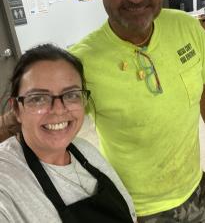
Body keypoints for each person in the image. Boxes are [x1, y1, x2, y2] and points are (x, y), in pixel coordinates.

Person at [69, 0, 205, 222]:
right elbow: (49, 132)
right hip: (136, 210)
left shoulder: (187, 27)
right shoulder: (81, 60)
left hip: (197, 191)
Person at [0, 43, 137, 223]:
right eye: (39, 98)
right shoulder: (6, 180)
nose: (58, 110)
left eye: (71, 94)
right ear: (17, 109)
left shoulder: (85, 150)